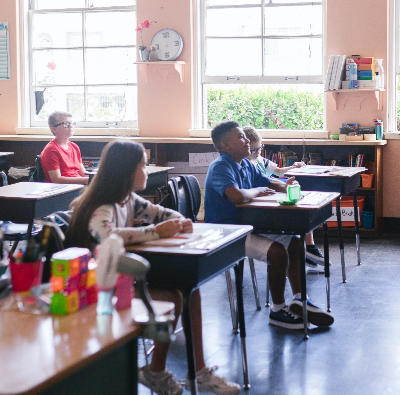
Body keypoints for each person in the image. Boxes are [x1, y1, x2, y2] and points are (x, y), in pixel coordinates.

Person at [66, 140, 241, 395]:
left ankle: (196, 372)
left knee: (188, 289)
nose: (146, 172)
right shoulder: (100, 206)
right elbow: (107, 235)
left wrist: (179, 221)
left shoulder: (127, 199)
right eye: (143, 166)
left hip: (121, 281)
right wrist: (154, 232)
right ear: (126, 171)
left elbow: (160, 213)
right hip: (96, 288)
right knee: (176, 295)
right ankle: (159, 372)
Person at [204, 121, 334, 330]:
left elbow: (268, 181)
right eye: (240, 137)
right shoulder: (221, 166)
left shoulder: (245, 163)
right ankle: (278, 309)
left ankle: (301, 299)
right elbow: (236, 196)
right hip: (228, 232)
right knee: (277, 253)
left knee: (295, 242)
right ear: (225, 145)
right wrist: (257, 191)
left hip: (248, 226)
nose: (246, 140)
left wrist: (287, 187)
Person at [243, 125, 328, 269]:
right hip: (263, 202)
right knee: (296, 211)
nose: (258, 152)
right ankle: (304, 247)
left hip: (272, 192)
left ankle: (309, 245)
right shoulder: (245, 165)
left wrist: (293, 167)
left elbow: (278, 171)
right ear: (244, 148)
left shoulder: (260, 160)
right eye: (254, 150)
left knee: (301, 202)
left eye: (260, 148)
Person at [40, 111, 89, 184]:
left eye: (72, 123)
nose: (70, 126)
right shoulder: (51, 149)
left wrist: (98, 177)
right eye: (66, 124)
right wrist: (86, 181)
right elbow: (56, 179)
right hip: (62, 189)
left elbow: (83, 173)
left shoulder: (74, 147)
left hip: (78, 185)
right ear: (54, 129)